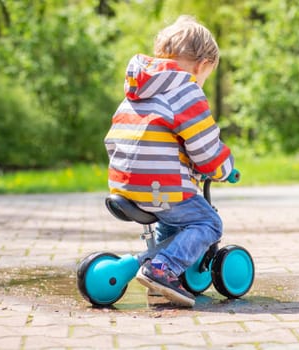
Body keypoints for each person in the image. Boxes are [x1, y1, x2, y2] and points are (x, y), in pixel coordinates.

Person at [104, 15, 235, 307]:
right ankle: (162, 268)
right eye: (205, 76)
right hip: (159, 189)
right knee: (208, 222)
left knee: (173, 221)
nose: (200, 82)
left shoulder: (138, 89)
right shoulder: (185, 89)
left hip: (124, 185)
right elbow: (206, 149)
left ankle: (157, 284)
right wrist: (224, 169)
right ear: (202, 65)